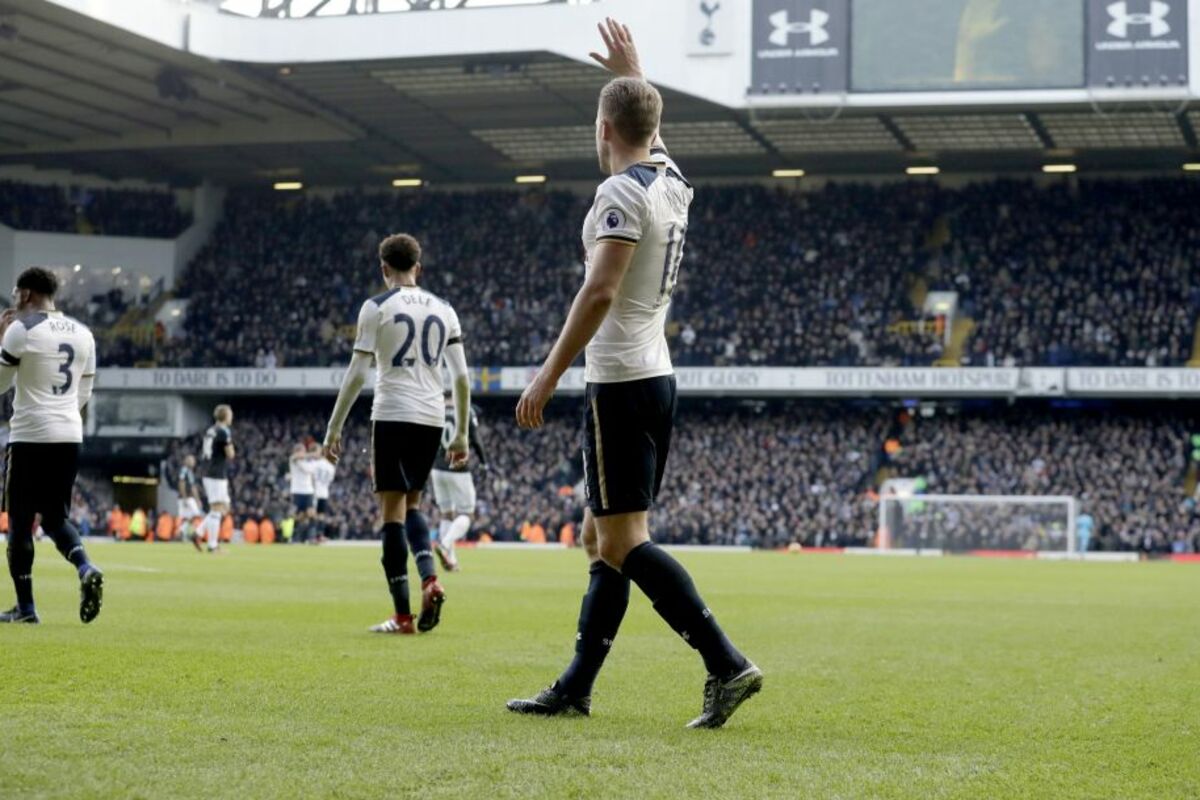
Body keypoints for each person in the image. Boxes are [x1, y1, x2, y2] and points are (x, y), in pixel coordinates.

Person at [507, 19, 761, 729]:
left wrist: (546, 376)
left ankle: (726, 663)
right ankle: (575, 687)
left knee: (623, 540)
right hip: (655, 377)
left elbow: (598, 292)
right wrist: (634, 72)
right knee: (602, 540)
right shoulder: (672, 180)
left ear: (602, 129)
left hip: (618, 383)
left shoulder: (620, 194)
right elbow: (648, 127)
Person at [323, 233, 471, 635]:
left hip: (392, 414)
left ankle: (403, 616)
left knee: (391, 513)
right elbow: (461, 377)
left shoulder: (376, 307)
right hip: (432, 418)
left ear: (384, 268)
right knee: (414, 505)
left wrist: (334, 428)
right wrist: (460, 434)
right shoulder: (445, 308)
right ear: (418, 267)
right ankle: (430, 578)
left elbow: (358, 374)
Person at [0, 266, 103, 624]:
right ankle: (85, 566)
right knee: (56, 518)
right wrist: (62, 413)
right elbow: (84, 391)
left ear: (27, 294)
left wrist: (1, 339)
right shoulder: (84, 333)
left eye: (17, 293)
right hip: (69, 434)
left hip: (30, 436)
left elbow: (0, 384)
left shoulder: (22, 329)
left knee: (20, 523)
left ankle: (26, 609)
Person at [430, 391, 489, 571]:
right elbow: (476, 439)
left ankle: (451, 560)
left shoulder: (437, 409)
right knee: (467, 514)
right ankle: (445, 545)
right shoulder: (465, 410)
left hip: (437, 468)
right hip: (458, 468)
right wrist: (484, 463)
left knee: (447, 514)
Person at [199, 404, 235, 553]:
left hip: (209, 471)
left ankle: (198, 533)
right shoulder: (223, 431)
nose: (232, 417)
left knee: (225, 507)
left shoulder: (211, 430)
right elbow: (230, 454)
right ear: (225, 416)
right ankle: (212, 545)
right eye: (230, 414)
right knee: (217, 508)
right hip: (216, 473)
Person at [287, 443, 316, 543]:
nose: (303, 453)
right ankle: (295, 537)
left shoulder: (308, 462)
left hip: (308, 491)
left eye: (303, 450)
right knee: (299, 516)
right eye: (301, 451)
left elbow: (310, 470)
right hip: (297, 491)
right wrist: (312, 454)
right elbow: (297, 457)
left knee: (311, 514)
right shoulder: (293, 460)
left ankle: (311, 537)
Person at [310, 443, 336, 542]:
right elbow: (330, 481)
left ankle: (312, 536)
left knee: (313, 515)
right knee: (321, 515)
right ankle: (319, 536)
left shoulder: (314, 464)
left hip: (314, 492)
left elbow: (311, 477)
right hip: (324, 493)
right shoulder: (331, 467)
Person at [178, 454, 202, 545]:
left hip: (188, 497)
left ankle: (182, 533)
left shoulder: (189, 471)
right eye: (191, 460)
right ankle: (183, 531)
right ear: (186, 461)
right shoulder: (184, 470)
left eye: (193, 460)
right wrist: (184, 497)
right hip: (187, 498)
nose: (193, 462)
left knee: (187, 517)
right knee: (196, 514)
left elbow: (193, 487)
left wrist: (197, 499)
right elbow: (181, 483)